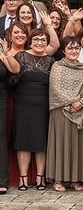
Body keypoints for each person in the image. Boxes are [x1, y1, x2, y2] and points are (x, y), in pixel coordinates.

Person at [46, 37, 83, 192]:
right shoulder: (57, 66)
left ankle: (74, 179)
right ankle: (58, 179)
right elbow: (55, 87)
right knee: (61, 144)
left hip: (80, 110)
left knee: (77, 145)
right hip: (61, 110)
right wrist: (72, 101)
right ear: (64, 50)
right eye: (70, 48)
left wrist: (81, 103)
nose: (74, 51)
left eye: (77, 48)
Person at [12, 28, 56, 190]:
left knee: (41, 141)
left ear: (47, 43)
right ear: (30, 41)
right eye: (36, 39)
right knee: (23, 140)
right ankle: (23, 178)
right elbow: (12, 80)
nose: (39, 43)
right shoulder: (21, 56)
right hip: (22, 103)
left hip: (43, 104)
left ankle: (40, 178)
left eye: (43, 40)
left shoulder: (51, 60)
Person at [0, 37, 20, 193]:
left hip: (1, 98)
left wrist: (6, 54)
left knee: (0, 138)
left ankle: (2, 181)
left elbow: (15, 70)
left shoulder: (2, 52)